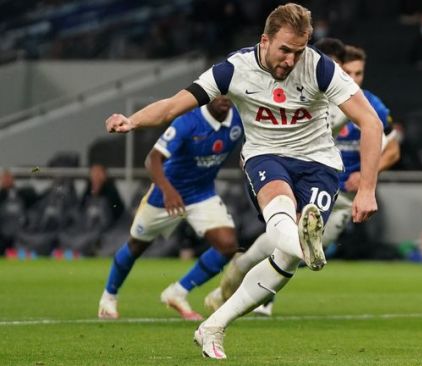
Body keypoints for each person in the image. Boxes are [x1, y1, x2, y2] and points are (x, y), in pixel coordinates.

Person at [105, 3, 382, 359]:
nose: (291, 59)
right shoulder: (234, 70)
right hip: (266, 155)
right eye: (284, 49)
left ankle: (213, 325)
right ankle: (305, 243)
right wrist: (132, 120)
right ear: (264, 41)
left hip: (319, 163)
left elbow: (371, 122)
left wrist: (368, 190)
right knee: (279, 207)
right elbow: (175, 105)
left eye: (299, 51)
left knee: (285, 261)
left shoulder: (321, 68)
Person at [205, 42, 401, 317]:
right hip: (300, 177)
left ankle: (240, 272)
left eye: (359, 74)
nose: (353, 79)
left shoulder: (360, 102)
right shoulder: (300, 91)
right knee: (294, 239)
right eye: (349, 72)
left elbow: (391, 146)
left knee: (305, 247)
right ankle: (255, 292)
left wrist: (367, 179)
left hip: (342, 193)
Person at [98, 96, 244, 321]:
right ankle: (108, 297)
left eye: (229, 93)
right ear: (209, 93)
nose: (224, 98)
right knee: (137, 245)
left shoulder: (239, 120)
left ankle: (177, 292)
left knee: (227, 246)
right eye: (219, 93)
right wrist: (168, 190)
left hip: (202, 194)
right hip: (165, 194)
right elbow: (152, 159)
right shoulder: (188, 122)